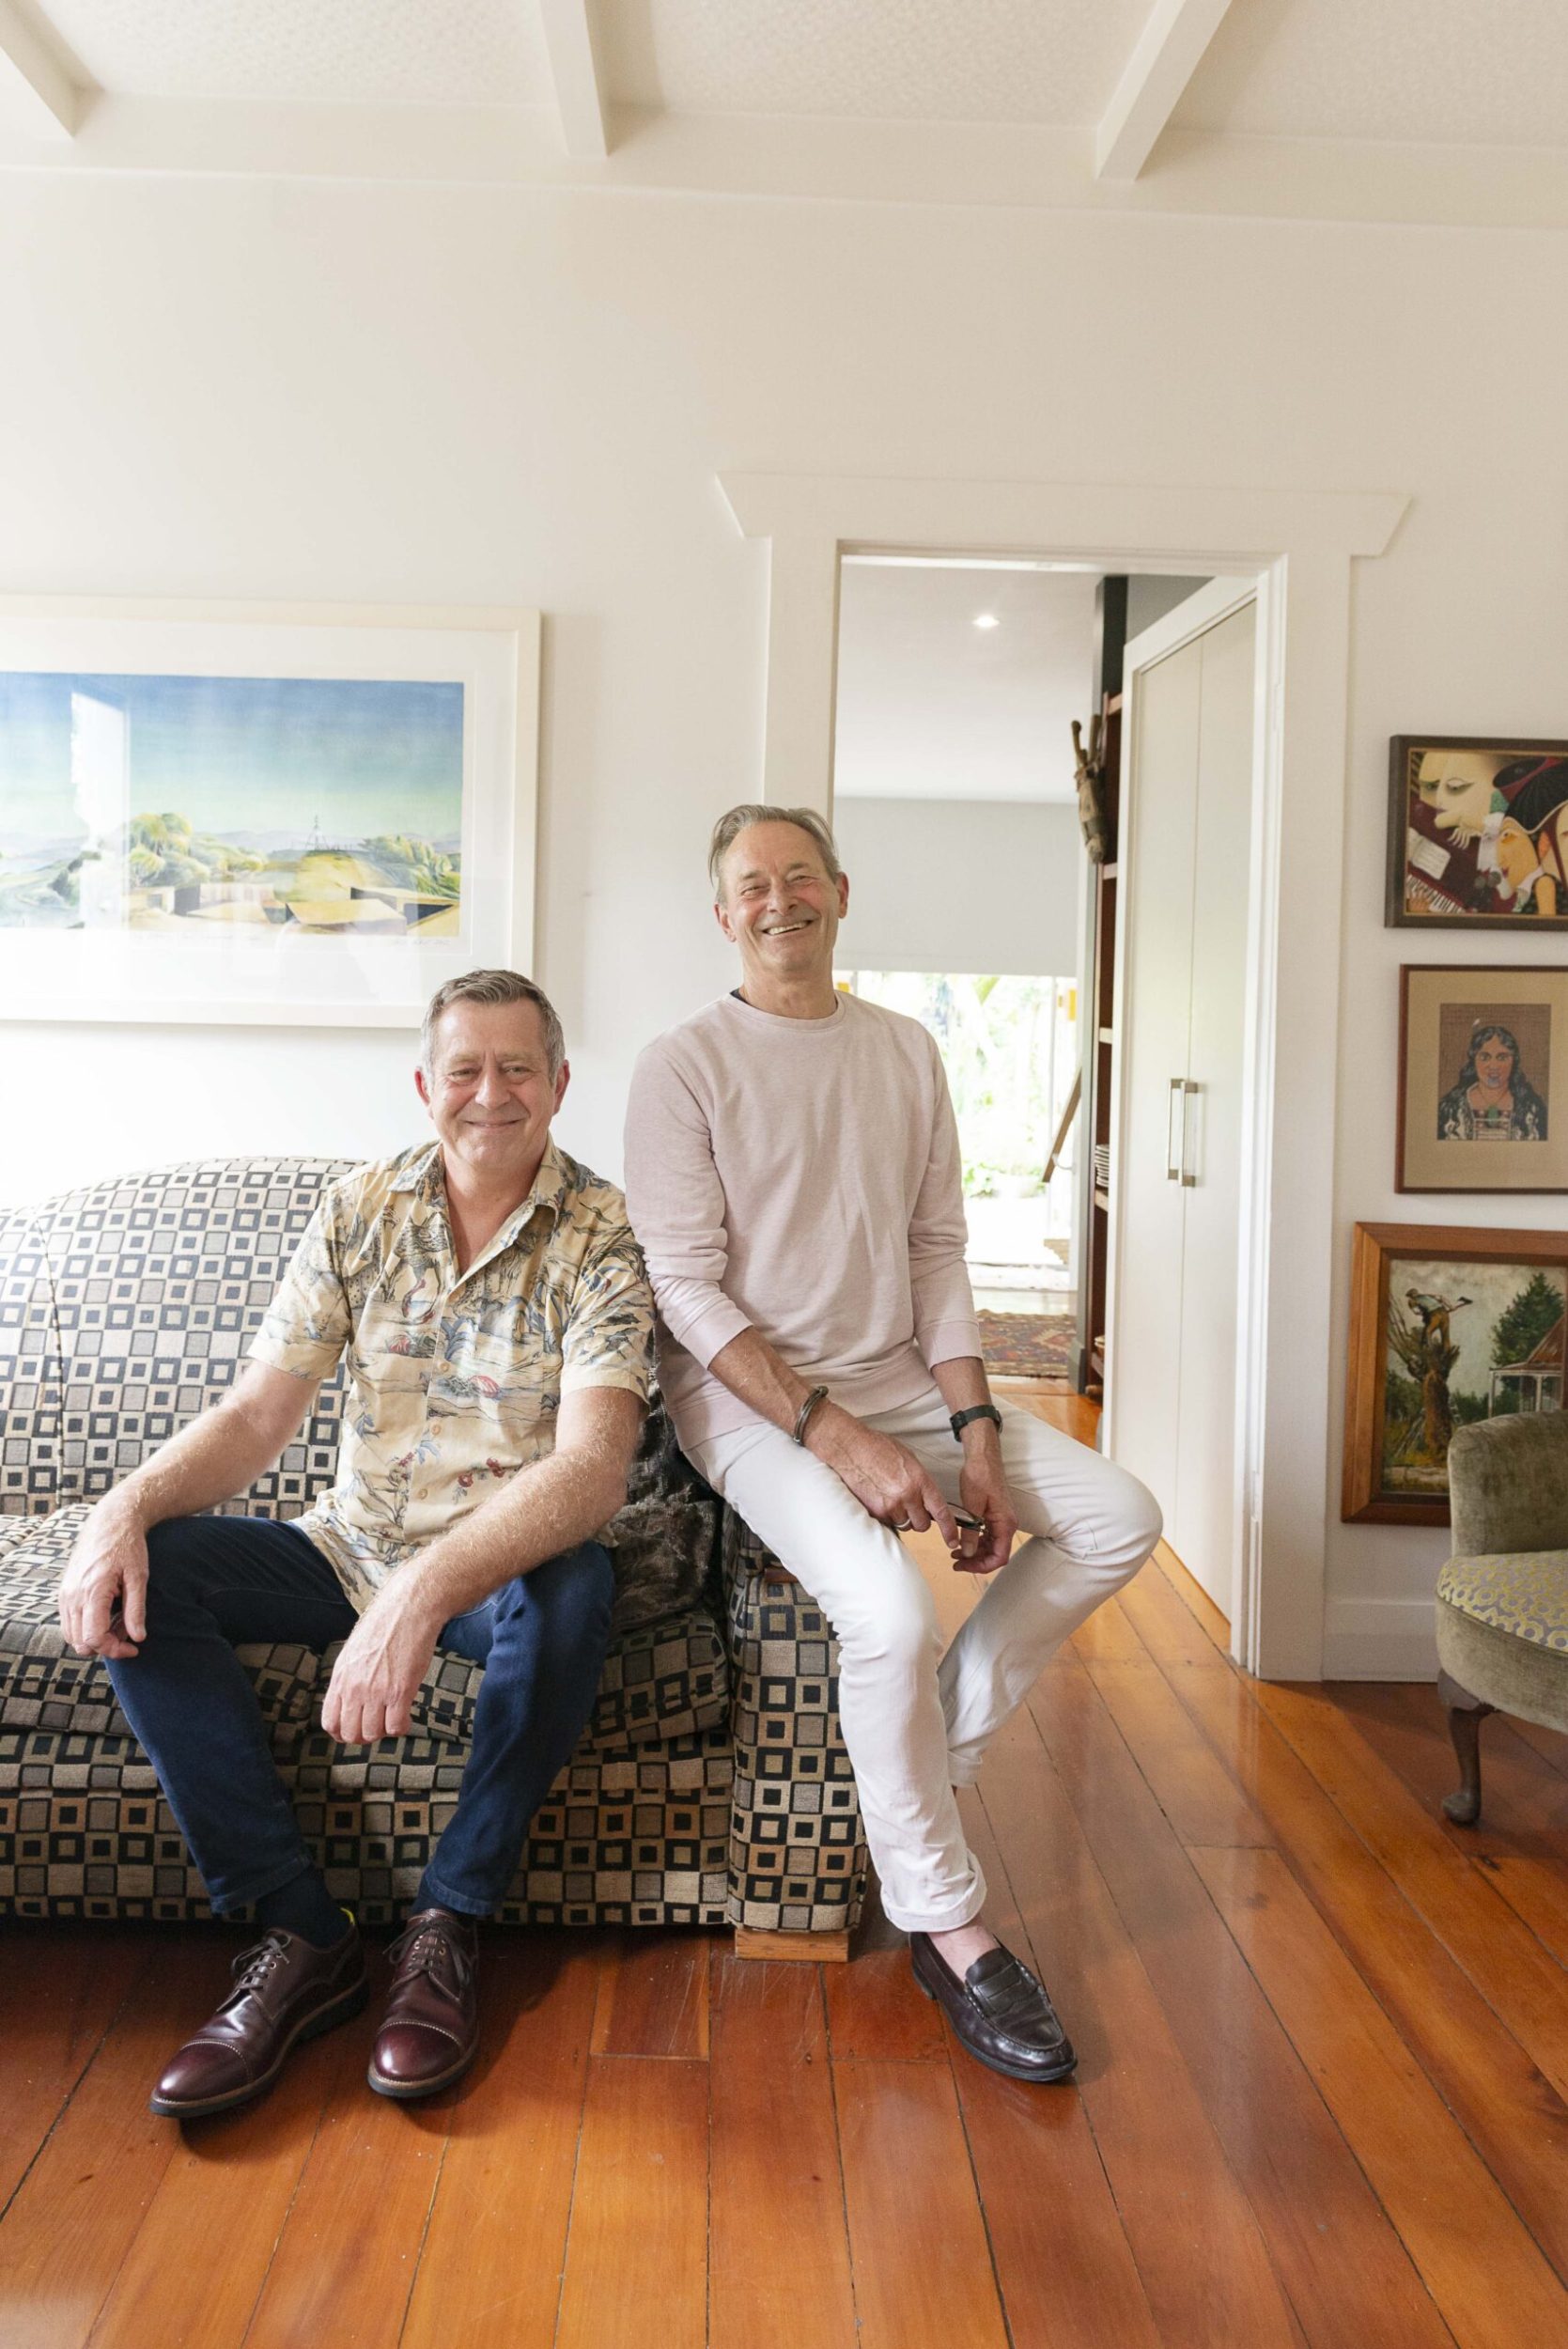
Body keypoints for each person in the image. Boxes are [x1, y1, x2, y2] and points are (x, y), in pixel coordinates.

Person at [624, 804, 1162, 2084]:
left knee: (1120, 1515)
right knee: (883, 1614)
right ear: (723, 915)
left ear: (841, 893)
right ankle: (946, 1922)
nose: (778, 900)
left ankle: (937, 1745)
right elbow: (687, 1295)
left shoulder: (905, 1051)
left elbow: (935, 1254)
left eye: (799, 876)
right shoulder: (681, 1064)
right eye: (752, 885)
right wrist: (836, 1435)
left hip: (902, 1379)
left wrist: (974, 1428)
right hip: (747, 1405)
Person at [58, 970, 651, 2119]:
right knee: (154, 1575)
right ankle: (300, 1931)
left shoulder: (603, 1232)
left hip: (495, 1574)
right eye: (466, 1069)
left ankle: (446, 1922)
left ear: (561, 1083)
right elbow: (255, 1420)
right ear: (427, 1086)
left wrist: (422, 1595)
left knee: (576, 1586)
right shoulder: (359, 1208)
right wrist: (119, 1506)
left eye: (518, 1067)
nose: (492, 1093)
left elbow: (591, 1470)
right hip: (342, 1547)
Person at [1436, 1022, 1547, 1143]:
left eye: (1502, 1057)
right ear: (1474, 1061)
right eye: (1485, 1057)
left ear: (1513, 1061)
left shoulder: (1531, 1108)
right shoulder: (1451, 1107)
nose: (1494, 1066)